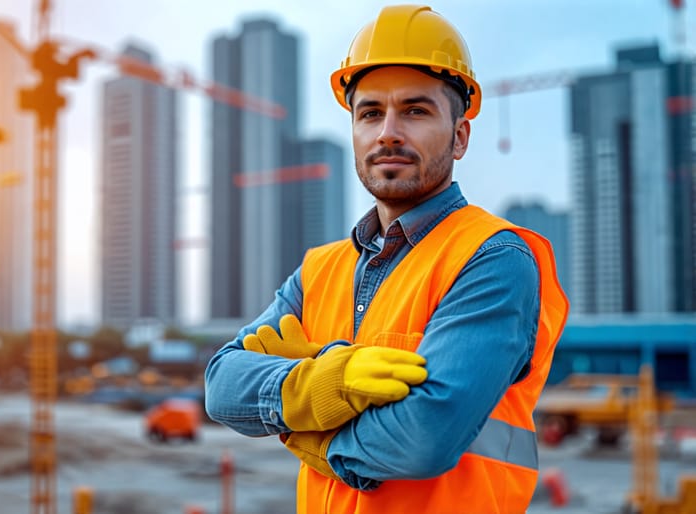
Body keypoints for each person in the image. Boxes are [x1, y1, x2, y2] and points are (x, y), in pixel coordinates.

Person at [204, 4, 569, 514]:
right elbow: (221, 384)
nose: (387, 133)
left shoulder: (493, 257)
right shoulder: (320, 270)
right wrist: (322, 384)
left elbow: (425, 437)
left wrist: (310, 435)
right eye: (370, 113)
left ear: (460, 136)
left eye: (416, 111)